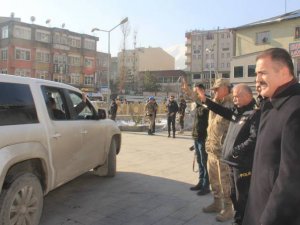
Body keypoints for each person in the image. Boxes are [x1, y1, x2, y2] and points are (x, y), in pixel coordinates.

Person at [243, 48, 300, 225]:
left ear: (283, 72)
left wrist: (267, 221)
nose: (257, 79)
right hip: (259, 206)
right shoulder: (273, 104)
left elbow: (291, 179)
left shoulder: (295, 110)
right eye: (256, 73)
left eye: (263, 73)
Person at [197, 83, 260, 225]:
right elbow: (220, 110)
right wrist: (205, 100)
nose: (235, 99)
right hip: (231, 161)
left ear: (248, 96)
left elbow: (254, 138)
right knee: (234, 194)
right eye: (234, 96)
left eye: (237, 96)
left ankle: (243, 220)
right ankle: (237, 220)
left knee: (242, 196)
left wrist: (237, 150)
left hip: (242, 164)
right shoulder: (237, 112)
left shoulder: (254, 114)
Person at [201, 78, 234, 222]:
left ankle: (228, 209)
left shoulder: (231, 104)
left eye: (217, 89)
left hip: (223, 152)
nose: (214, 91)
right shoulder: (215, 104)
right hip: (212, 150)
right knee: (214, 180)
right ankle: (216, 203)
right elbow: (200, 101)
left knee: (225, 182)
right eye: (213, 89)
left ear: (226, 88)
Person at [189, 83, 210, 195]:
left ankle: (206, 185)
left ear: (202, 90)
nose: (195, 93)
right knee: (199, 161)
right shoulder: (197, 105)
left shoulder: (207, 103)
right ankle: (200, 181)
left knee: (204, 161)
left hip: (204, 137)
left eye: (196, 91)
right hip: (196, 136)